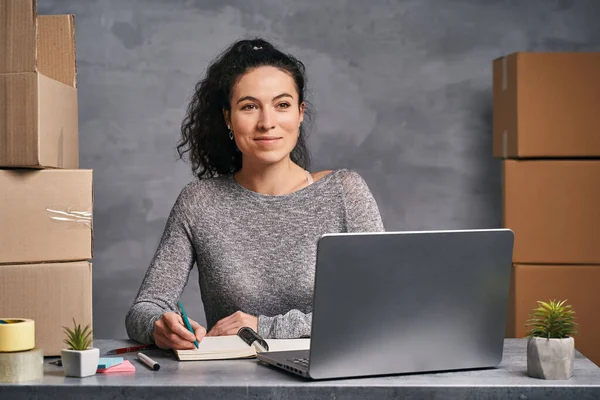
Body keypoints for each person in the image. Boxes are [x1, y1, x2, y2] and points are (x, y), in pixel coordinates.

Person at [125, 38, 385, 350]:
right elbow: (144, 308)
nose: (266, 122)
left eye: (282, 105)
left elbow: (380, 308)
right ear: (228, 118)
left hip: (328, 383)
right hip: (231, 383)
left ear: (300, 114)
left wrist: (263, 327)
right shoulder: (199, 202)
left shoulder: (344, 192)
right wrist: (160, 327)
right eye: (249, 107)